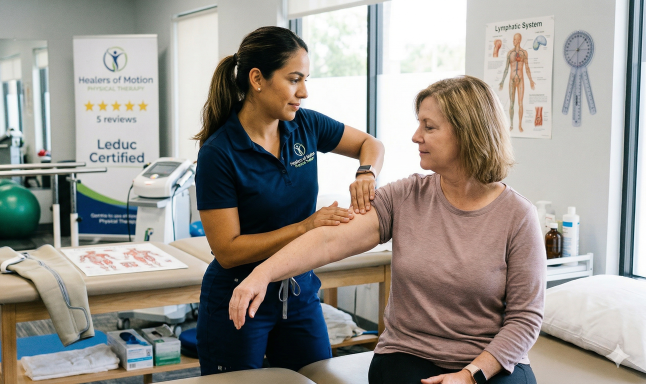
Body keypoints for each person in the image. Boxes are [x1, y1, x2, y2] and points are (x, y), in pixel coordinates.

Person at [229, 76, 545, 384]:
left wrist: (469, 376)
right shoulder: (404, 197)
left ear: (469, 135)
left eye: (429, 127)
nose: (415, 136)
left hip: (491, 364)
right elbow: (328, 239)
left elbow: (525, 320)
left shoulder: (518, 216)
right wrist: (263, 273)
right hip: (409, 355)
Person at [194, 26, 385, 376]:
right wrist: (305, 226)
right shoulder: (219, 153)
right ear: (257, 79)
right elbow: (228, 250)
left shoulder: (304, 126)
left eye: (306, 79)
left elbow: (370, 144)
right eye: (294, 79)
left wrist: (366, 173)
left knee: (317, 378)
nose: (304, 92)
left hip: (298, 294)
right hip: (240, 296)